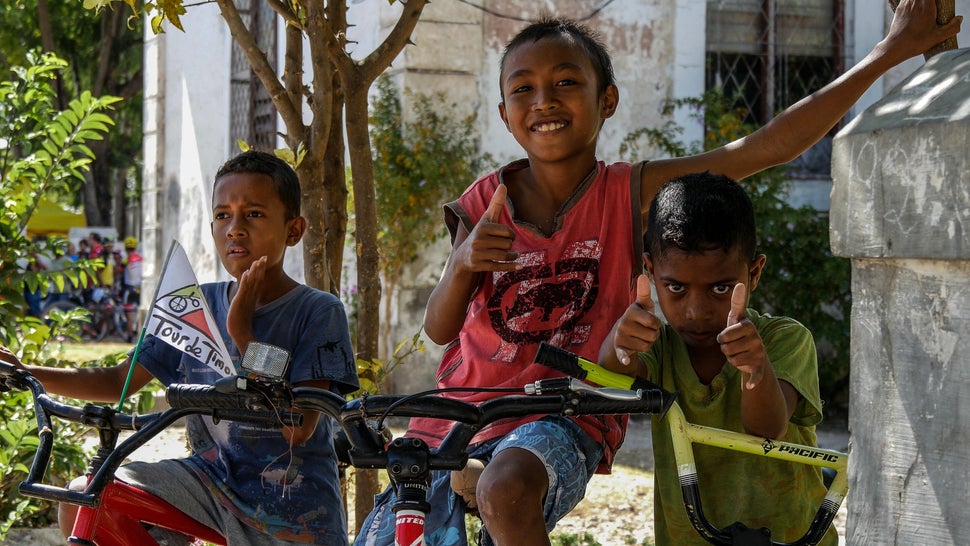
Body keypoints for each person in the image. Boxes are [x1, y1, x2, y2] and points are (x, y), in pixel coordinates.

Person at [354, 3, 960, 545]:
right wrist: (462, 263)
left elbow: (762, 149)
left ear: (607, 101)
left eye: (567, 82)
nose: (544, 99)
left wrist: (889, 53)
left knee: (507, 490)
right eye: (525, 88)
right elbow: (439, 330)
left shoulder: (627, 193)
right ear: (505, 112)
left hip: (563, 416)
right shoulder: (484, 201)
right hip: (457, 417)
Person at [0, 150, 360, 545]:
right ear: (212, 229)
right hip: (208, 481)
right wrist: (26, 371)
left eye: (254, 214)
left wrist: (242, 333)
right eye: (223, 215)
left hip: (293, 507)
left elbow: (300, 426)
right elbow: (119, 380)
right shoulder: (196, 304)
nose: (235, 229)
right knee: (84, 495)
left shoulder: (318, 310)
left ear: (293, 230)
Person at [598, 173, 835, 544]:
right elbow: (610, 376)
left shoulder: (784, 340)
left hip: (789, 538)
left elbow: (768, 427)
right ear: (650, 272)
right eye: (675, 287)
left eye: (720, 288)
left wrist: (756, 369)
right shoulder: (658, 348)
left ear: (754, 273)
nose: (696, 311)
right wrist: (618, 343)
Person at [120, 236, 143, 342]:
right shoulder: (141, 258)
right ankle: (139, 335)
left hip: (129, 289)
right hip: (139, 289)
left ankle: (129, 336)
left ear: (125, 247)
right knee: (139, 312)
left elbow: (118, 271)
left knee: (129, 315)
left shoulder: (126, 260)